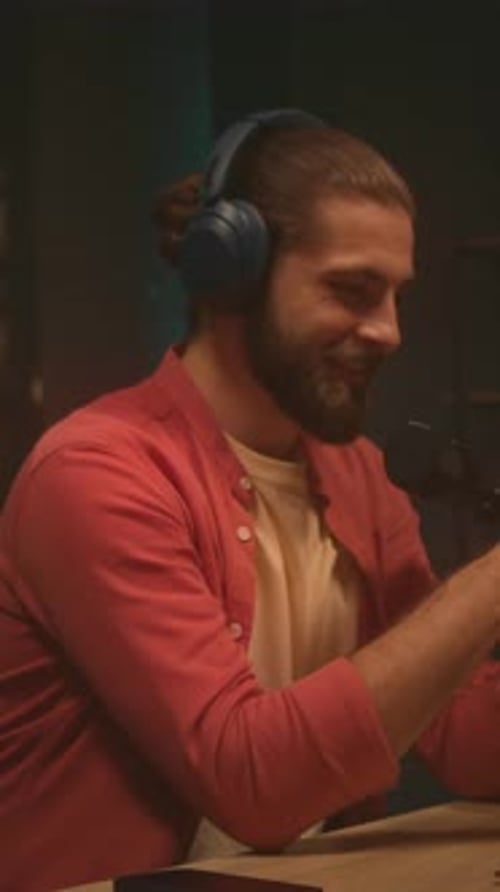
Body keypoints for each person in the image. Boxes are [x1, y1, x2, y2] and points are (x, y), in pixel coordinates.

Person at [0, 108, 499, 892]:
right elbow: (250, 784)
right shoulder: (96, 474)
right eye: (352, 290)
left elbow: (465, 732)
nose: (389, 331)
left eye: (396, 295)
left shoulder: (355, 473)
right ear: (233, 277)